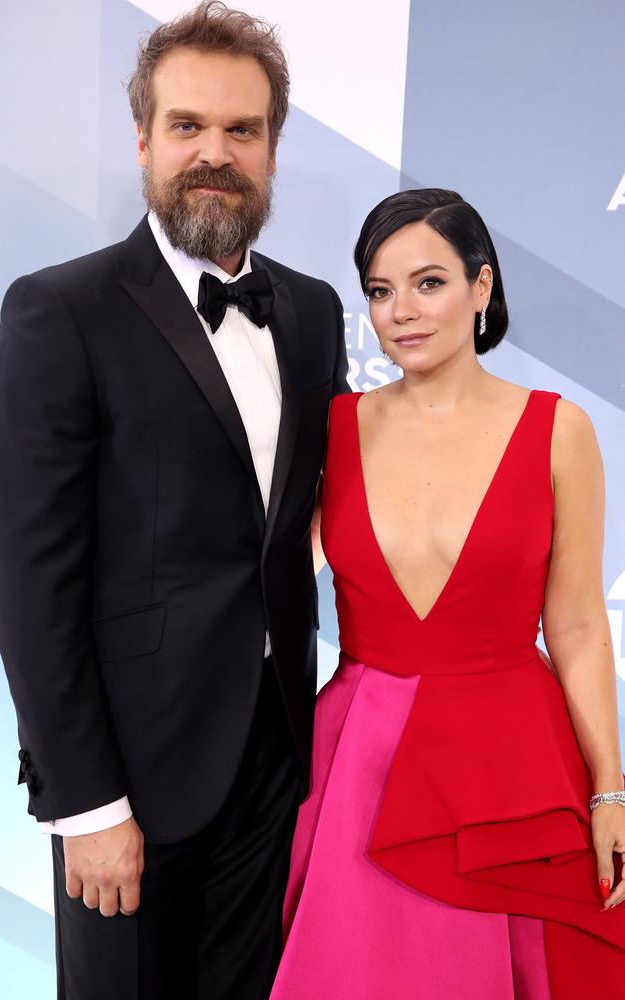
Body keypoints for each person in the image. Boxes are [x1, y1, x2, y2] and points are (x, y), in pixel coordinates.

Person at [0, 4, 348, 998]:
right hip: (128, 775)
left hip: (276, 758)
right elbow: (28, 579)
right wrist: (85, 802)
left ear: (272, 148)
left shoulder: (311, 310)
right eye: (187, 126)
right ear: (143, 139)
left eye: (240, 130)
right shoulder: (60, 309)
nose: (212, 154)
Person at [270, 188, 625, 999]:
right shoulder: (332, 427)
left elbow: (574, 624)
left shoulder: (557, 429)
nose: (402, 311)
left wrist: (610, 792)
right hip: (359, 764)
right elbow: (267, 584)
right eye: (380, 291)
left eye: (429, 282)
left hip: (514, 767)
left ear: (483, 288)